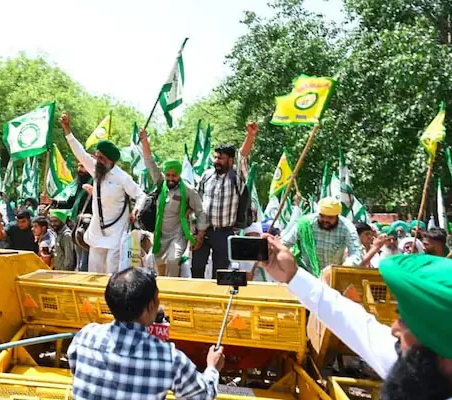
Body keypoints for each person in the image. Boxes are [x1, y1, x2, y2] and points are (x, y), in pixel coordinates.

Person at [260, 234, 452, 400]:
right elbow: (349, 319)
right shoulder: (419, 368)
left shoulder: (421, 365)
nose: (394, 328)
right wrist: (292, 275)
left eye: (406, 322)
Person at [67, 267, 224, 399]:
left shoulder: (85, 336)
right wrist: (212, 368)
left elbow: (75, 366)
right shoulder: (169, 359)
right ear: (151, 306)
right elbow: (202, 396)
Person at [61, 112, 145, 274]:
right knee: (94, 271)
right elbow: (80, 153)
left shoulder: (122, 177)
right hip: (97, 231)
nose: (97, 160)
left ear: (110, 160)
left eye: (101, 158)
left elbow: (140, 195)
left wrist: (136, 209)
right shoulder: (95, 169)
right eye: (97, 156)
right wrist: (67, 129)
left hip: (117, 231)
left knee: (112, 270)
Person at [193, 122, 258, 279]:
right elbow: (197, 200)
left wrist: (250, 136)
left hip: (224, 233)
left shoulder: (237, 177)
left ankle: (217, 303)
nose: (216, 161)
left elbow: (243, 157)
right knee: (196, 267)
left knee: (220, 272)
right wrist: (195, 229)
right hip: (203, 231)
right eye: (215, 157)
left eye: (221, 158)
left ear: (230, 160)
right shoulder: (206, 175)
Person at [139, 129, 207, 277]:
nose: (170, 178)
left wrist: (199, 236)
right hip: (160, 235)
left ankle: (172, 290)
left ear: (179, 175)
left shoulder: (188, 190)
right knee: (155, 261)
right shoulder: (161, 183)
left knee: (172, 260)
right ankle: (162, 289)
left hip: (179, 234)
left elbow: (200, 212)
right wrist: (144, 141)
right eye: (168, 175)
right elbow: (150, 163)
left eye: (173, 175)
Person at [281, 198, 362, 277]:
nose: (325, 220)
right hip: (306, 276)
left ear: (337, 216)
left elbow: (356, 253)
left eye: (330, 217)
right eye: (322, 216)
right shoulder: (305, 224)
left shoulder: (347, 227)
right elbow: (284, 244)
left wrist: (345, 267)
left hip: (333, 276)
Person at [43, 162, 93, 272]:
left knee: (85, 261)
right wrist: (52, 201)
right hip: (78, 227)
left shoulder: (96, 183)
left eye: (83, 166)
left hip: (90, 227)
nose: (79, 169)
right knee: (80, 260)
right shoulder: (80, 185)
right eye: (78, 166)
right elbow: (71, 203)